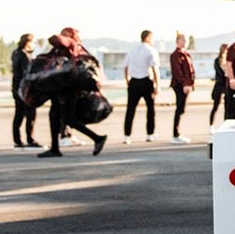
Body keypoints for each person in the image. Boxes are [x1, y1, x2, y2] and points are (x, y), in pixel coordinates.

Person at [36, 27, 106, 157]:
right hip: (63, 87)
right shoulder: (74, 47)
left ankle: (97, 138)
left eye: (65, 33)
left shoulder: (71, 43)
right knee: (55, 116)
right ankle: (55, 148)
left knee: (68, 118)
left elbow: (55, 39)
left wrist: (61, 37)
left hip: (68, 88)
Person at [122, 29, 160, 143]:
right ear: (148, 37)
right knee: (150, 109)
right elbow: (155, 68)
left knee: (130, 109)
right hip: (146, 81)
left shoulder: (132, 50)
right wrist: (157, 85)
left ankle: (127, 135)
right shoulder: (151, 50)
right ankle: (150, 133)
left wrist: (127, 80)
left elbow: (125, 67)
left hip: (133, 82)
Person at [9, 33, 38, 148]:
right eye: (33, 42)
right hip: (25, 89)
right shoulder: (25, 55)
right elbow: (28, 73)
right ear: (28, 42)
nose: (34, 45)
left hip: (16, 87)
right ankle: (30, 139)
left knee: (19, 114)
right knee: (30, 114)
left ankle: (17, 140)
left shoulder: (15, 53)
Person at [168, 33, 195, 144]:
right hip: (180, 85)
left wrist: (191, 84)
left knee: (182, 109)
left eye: (186, 40)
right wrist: (184, 84)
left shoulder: (186, 54)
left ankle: (177, 133)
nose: (185, 41)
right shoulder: (175, 55)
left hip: (187, 85)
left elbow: (191, 71)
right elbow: (177, 72)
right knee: (179, 108)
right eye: (182, 39)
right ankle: (175, 134)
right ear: (177, 41)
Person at [209, 43, 229, 126]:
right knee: (215, 106)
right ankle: (211, 125)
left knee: (227, 106)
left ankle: (226, 123)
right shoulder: (217, 60)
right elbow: (220, 73)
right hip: (219, 84)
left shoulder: (229, 60)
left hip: (227, 85)